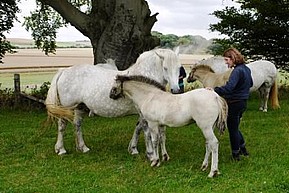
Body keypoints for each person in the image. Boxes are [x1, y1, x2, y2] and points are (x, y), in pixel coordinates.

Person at [211, 48, 253, 161]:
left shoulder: (237, 71)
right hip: (243, 103)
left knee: (232, 129)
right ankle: (243, 149)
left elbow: (229, 88)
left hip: (234, 104)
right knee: (235, 127)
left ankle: (236, 154)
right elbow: (251, 83)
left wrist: (214, 90)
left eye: (227, 59)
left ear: (233, 58)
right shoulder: (246, 69)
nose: (226, 62)